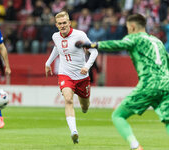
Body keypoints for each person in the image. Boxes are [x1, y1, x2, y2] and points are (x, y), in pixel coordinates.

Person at [75, 13, 169, 150]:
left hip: (150, 83)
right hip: (166, 83)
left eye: (127, 27)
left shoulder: (135, 38)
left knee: (118, 115)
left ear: (132, 26)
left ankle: (136, 147)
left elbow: (117, 44)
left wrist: (92, 45)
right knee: (168, 120)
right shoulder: (158, 42)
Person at [45, 11, 98, 144]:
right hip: (65, 74)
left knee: (85, 107)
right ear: (56, 25)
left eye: (64, 23)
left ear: (69, 23)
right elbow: (57, 48)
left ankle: (84, 107)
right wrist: (48, 62)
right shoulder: (55, 36)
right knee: (68, 99)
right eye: (60, 24)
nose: (62, 25)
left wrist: (87, 66)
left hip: (82, 76)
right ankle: (74, 131)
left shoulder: (79, 35)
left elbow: (94, 51)